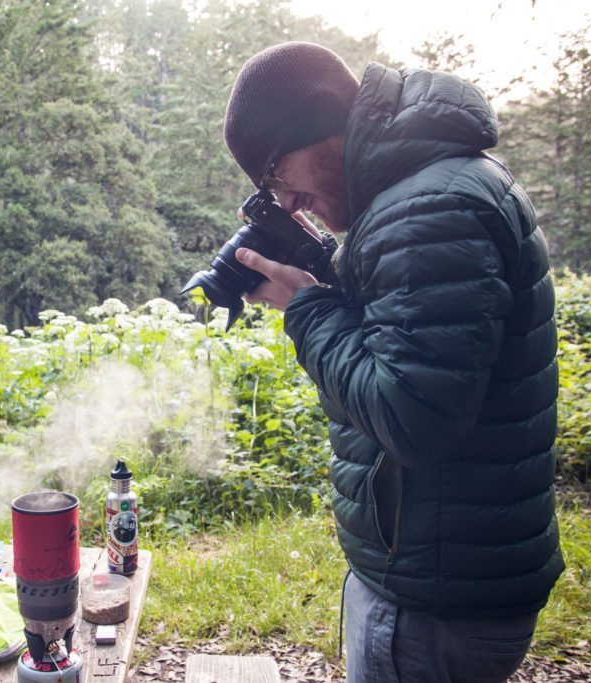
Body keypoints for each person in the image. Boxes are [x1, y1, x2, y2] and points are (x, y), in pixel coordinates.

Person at [222, 42, 564, 682]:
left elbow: (412, 417)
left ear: (319, 128)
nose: (287, 202)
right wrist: (331, 282)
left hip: (434, 597)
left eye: (274, 175)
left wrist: (309, 310)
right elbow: (411, 345)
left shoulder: (425, 208)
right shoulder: (431, 188)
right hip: (448, 568)